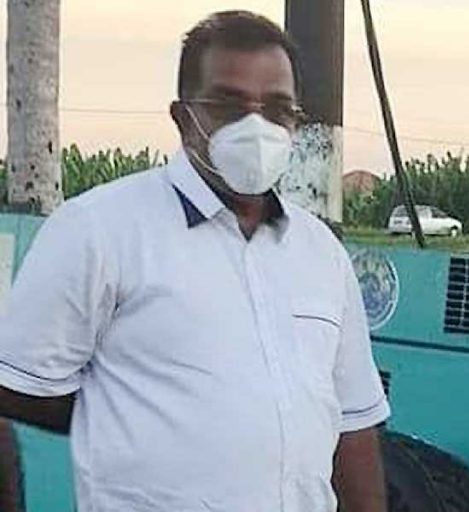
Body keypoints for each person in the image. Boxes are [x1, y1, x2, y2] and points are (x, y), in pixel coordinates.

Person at [0, 11, 390, 511]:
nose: (256, 127)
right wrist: (126, 411)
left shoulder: (321, 255)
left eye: (277, 109)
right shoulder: (99, 230)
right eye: (228, 105)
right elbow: (22, 386)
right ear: (183, 118)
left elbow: (353, 424)